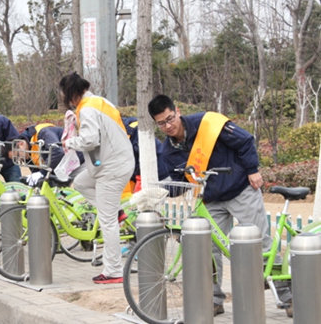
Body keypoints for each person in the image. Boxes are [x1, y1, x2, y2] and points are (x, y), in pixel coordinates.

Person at [148, 94, 292, 317]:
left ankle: (288, 296)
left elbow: (244, 140)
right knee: (208, 251)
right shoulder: (169, 150)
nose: (168, 126)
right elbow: (180, 182)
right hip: (211, 198)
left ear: (177, 111)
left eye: (170, 119)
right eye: (161, 123)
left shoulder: (208, 123)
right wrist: (159, 191)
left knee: (260, 244)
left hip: (240, 189)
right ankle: (214, 300)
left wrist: (253, 170)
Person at [59, 72, 134, 284]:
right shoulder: (99, 102)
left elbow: (90, 140)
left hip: (112, 167)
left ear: (72, 93)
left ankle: (114, 270)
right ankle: (116, 211)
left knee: (106, 221)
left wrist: (69, 143)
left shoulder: (88, 108)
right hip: (112, 163)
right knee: (81, 183)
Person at [16, 123, 85, 186]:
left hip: (78, 158)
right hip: (62, 164)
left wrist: (42, 172)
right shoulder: (27, 149)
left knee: (80, 186)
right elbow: (36, 171)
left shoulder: (43, 132)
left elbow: (57, 151)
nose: (21, 158)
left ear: (21, 144)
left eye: (19, 155)